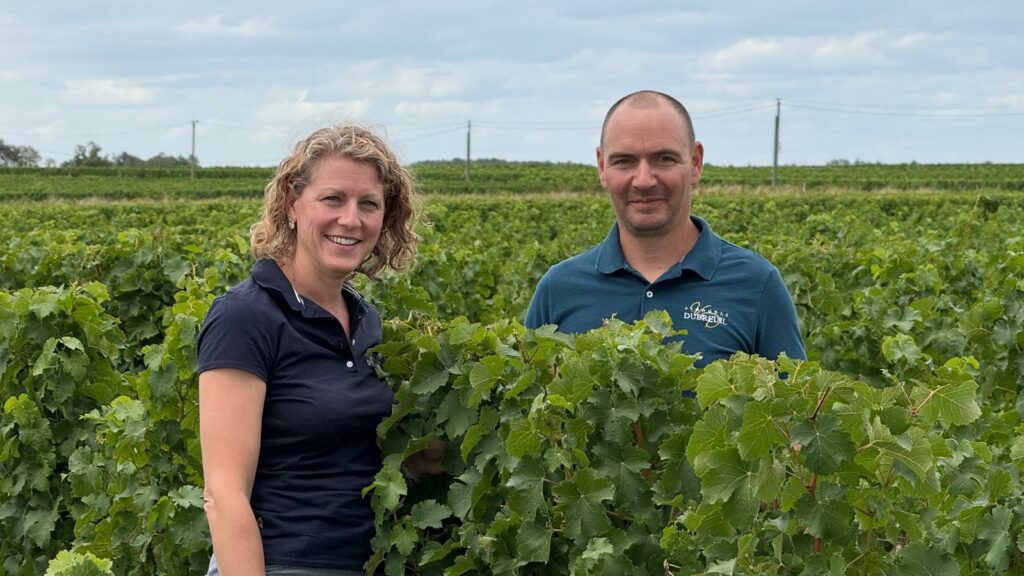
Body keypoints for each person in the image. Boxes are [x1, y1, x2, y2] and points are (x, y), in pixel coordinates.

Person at [198, 122, 423, 575]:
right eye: (332, 199)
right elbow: (224, 495)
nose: (351, 220)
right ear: (292, 204)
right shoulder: (246, 317)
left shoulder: (366, 322)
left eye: (369, 205)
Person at [525, 90, 805, 367]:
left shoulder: (757, 284)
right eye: (624, 161)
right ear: (602, 167)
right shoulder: (559, 288)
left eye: (664, 159)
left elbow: (792, 407)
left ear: (695, 163)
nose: (644, 180)